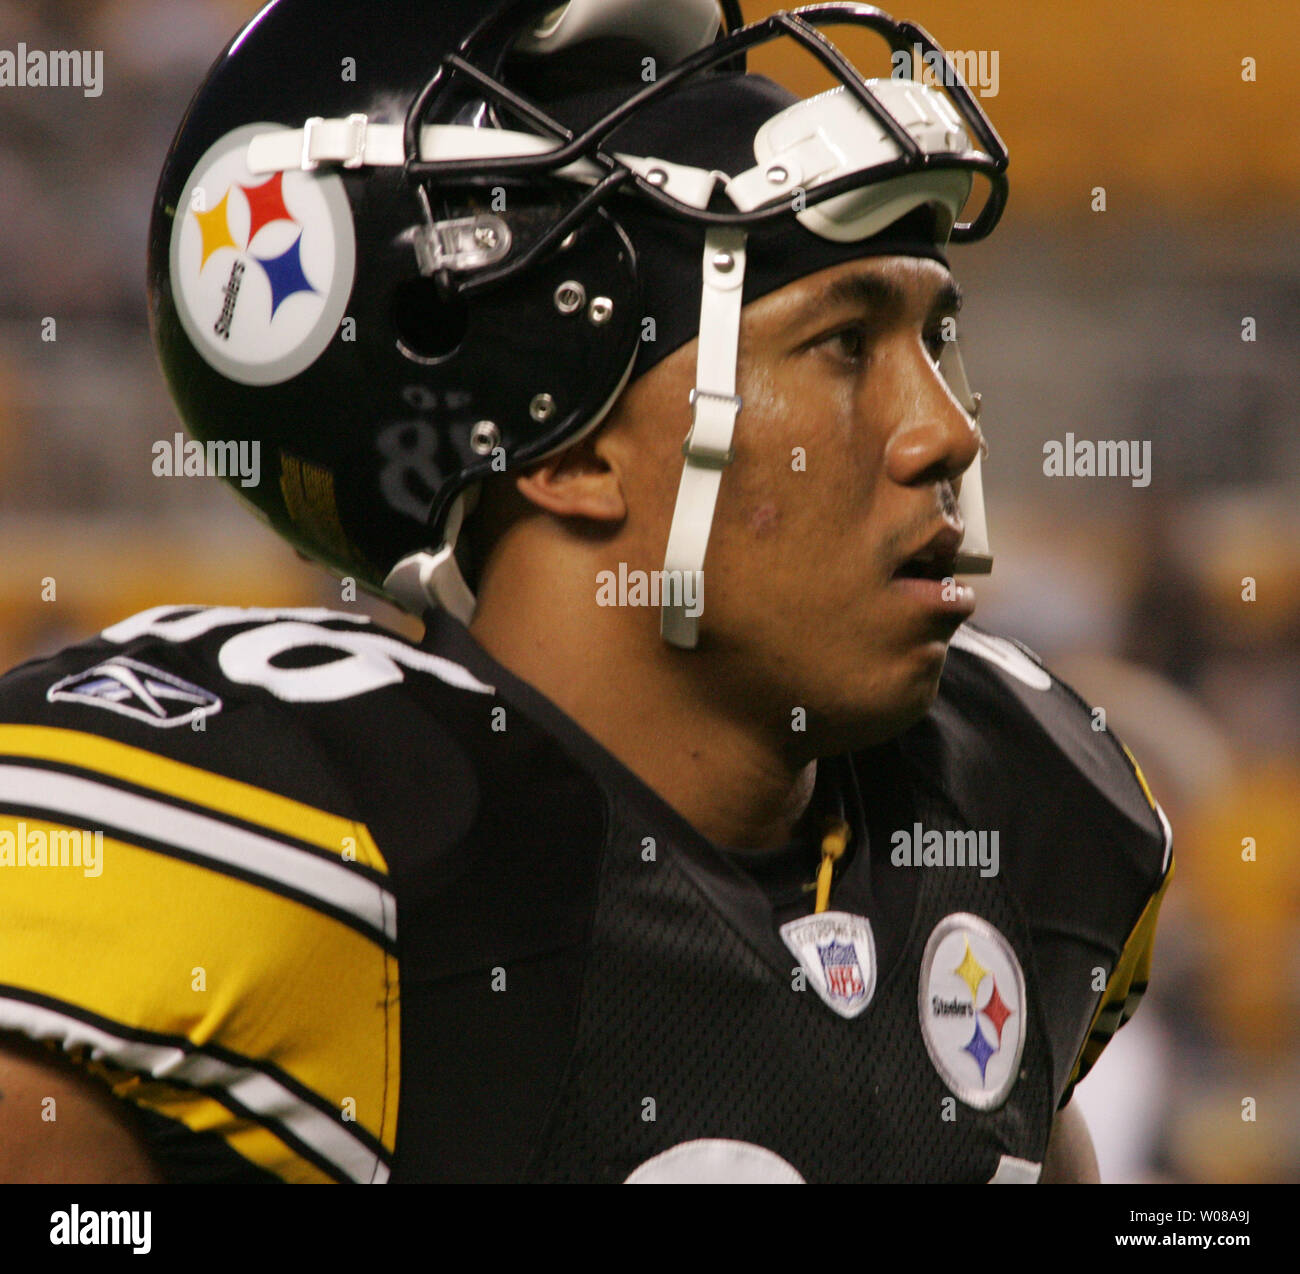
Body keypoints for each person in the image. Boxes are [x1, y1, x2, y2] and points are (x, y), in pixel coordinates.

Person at [0, 0, 1170, 1184]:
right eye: (843, 344)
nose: (945, 431)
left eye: (935, 335)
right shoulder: (319, 849)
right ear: (560, 449)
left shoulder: (1013, 809)